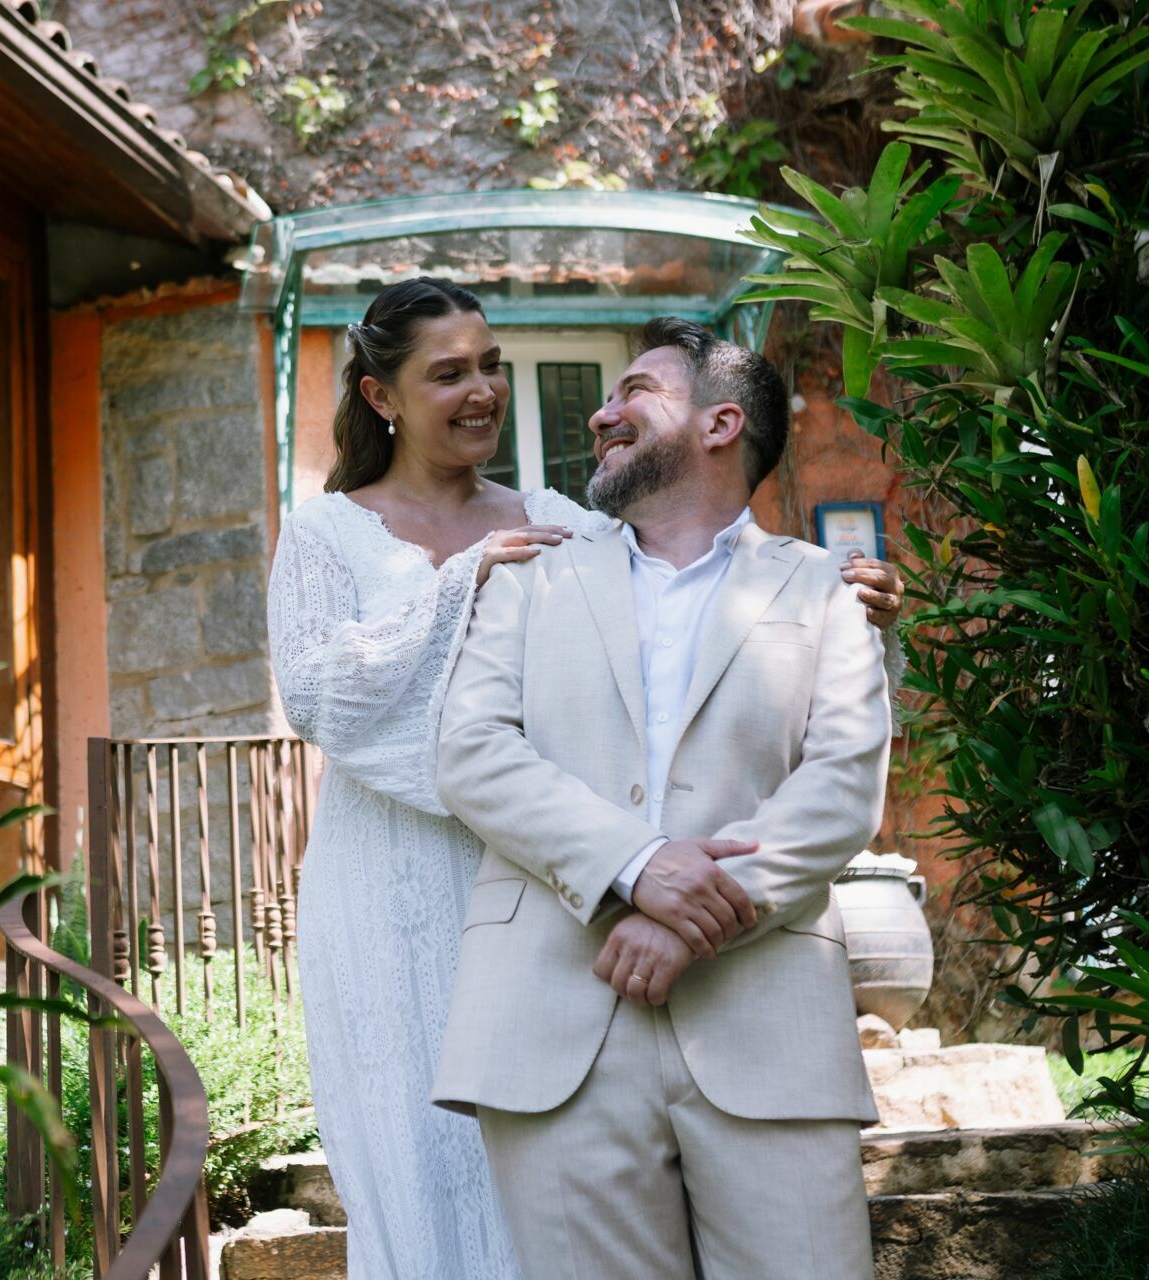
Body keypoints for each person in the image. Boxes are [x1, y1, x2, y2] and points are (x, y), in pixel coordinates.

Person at [266, 282, 901, 1280]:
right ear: (381, 395)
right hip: (436, 897)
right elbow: (347, 706)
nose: (481, 390)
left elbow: (715, 604)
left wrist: (832, 595)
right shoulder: (361, 538)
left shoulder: (562, 527)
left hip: (601, 909)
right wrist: (456, 586)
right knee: (430, 1171)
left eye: (490, 366)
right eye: (449, 372)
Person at [432, 316, 891, 1279]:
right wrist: (636, 871)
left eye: (634, 389)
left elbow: (844, 784)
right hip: (557, 1024)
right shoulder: (530, 576)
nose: (602, 413)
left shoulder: (827, 591)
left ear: (721, 423)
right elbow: (471, 751)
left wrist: (691, 921)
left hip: (768, 1025)